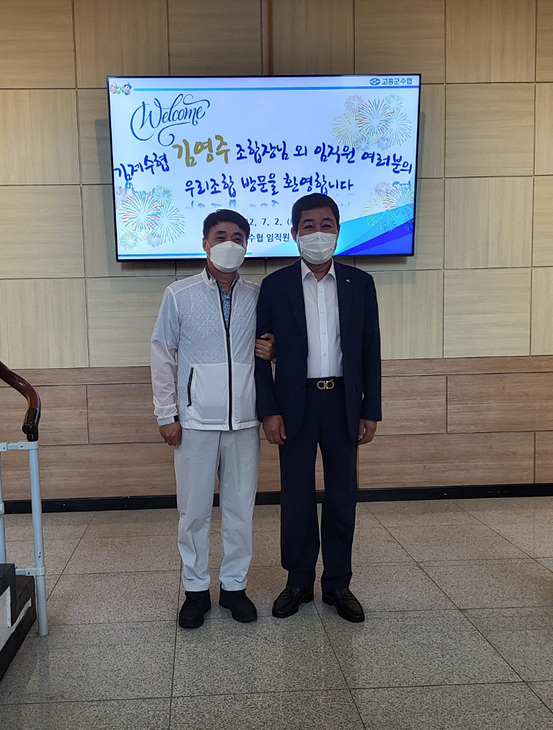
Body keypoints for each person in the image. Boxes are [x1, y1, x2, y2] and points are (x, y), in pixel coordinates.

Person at [254, 193, 381, 623]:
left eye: (326, 225)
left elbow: (370, 350)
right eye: (308, 226)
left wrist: (371, 409)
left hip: (343, 402)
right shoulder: (275, 286)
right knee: (297, 495)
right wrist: (269, 410)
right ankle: (298, 580)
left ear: (338, 232)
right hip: (295, 404)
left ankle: (338, 583)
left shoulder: (360, 284)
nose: (318, 233)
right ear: (294, 233)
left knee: (343, 495)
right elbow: (261, 353)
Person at [150, 209, 274, 629]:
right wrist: (166, 413)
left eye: (238, 237)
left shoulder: (258, 295)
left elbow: (273, 345)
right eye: (221, 236)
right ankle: (196, 590)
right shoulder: (179, 294)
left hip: (244, 423)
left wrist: (273, 351)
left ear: (247, 246)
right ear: (205, 243)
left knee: (240, 511)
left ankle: (235, 587)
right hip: (194, 422)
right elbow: (162, 354)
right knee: (194, 512)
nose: (229, 244)